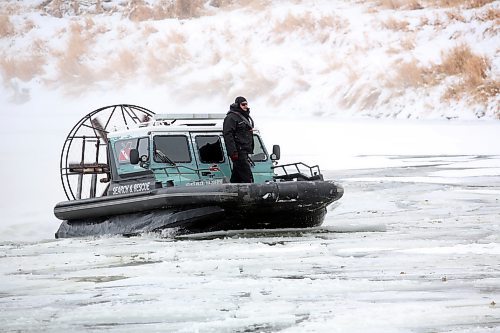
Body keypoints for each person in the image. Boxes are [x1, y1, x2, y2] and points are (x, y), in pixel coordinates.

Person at [223, 96, 255, 183]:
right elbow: (228, 135)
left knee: (237, 176)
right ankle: (252, 193)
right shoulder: (231, 118)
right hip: (238, 151)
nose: (245, 106)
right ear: (238, 105)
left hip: (244, 150)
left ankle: (233, 190)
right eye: (243, 104)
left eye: (246, 104)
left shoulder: (244, 117)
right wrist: (233, 152)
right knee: (247, 176)